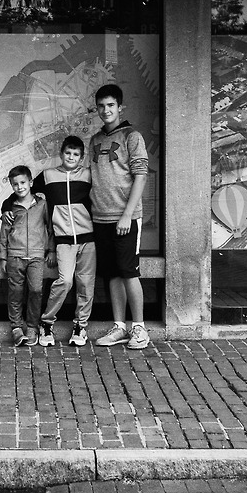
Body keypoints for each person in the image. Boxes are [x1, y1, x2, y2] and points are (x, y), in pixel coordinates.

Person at [87, 84, 150, 350]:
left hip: (125, 218)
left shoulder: (132, 136)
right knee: (111, 274)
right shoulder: (94, 140)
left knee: (129, 272)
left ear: (120, 107)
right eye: (101, 106)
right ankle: (119, 327)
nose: (105, 110)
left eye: (111, 105)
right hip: (100, 217)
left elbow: (141, 176)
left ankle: (140, 329)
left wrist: (127, 215)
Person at [34, 135, 96, 347]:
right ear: (61, 154)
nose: (71, 157)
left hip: (89, 239)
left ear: (81, 157)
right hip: (63, 241)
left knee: (85, 284)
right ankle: (46, 322)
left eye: (76, 154)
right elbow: (25, 193)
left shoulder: (88, 174)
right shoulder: (49, 175)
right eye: (68, 153)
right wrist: (7, 207)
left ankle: (81, 327)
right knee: (66, 281)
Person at [0, 165, 53, 347]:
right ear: (12, 186)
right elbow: (4, 233)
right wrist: (3, 257)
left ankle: (31, 326)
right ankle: (16, 328)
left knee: (36, 291)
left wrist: (51, 250)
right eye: (15, 184)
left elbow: (50, 229)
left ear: (30, 183)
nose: (20, 187)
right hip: (15, 256)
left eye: (23, 182)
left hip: (37, 257)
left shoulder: (42, 205)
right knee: (16, 292)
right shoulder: (11, 208)